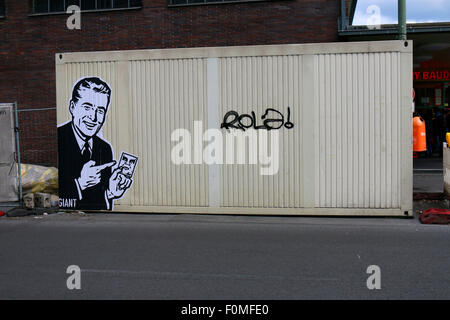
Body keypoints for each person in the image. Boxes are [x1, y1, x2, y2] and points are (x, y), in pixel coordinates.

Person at [58, 77, 132, 210]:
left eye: (100, 110)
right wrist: (80, 183)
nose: (94, 117)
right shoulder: (59, 139)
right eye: (87, 107)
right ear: (72, 107)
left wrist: (110, 191)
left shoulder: (105, 148)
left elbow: (99, 203)